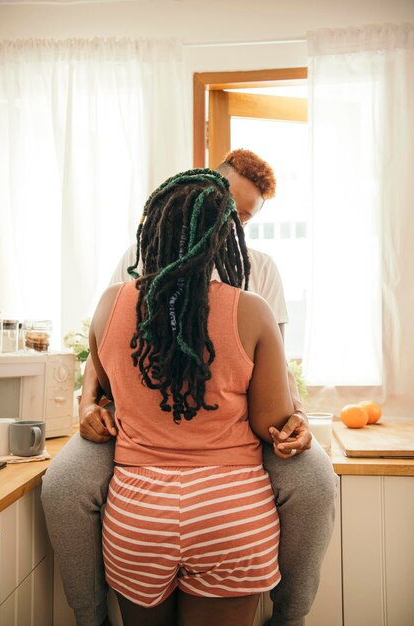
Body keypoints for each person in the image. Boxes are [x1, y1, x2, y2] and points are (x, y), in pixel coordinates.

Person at [42, 150, 338, 626]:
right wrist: (86, 402)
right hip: (155, 435)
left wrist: (297, 418)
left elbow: (277, 367)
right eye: (229, 212)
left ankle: (291, 615)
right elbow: (101, 363)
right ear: (207, 192)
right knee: (63, 485)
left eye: (245, 216)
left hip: (147, 491)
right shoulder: (136, 267)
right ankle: (87, 615)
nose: (236, 224)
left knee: (316, 482)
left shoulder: (260, 272)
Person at [90, 168, 294, 625]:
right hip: (231, 514)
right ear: (226, 237)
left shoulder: (109, 304)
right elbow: (271, 422)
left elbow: (105, 388)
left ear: (153, 228)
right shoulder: (252, 311)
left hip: (137, 514)